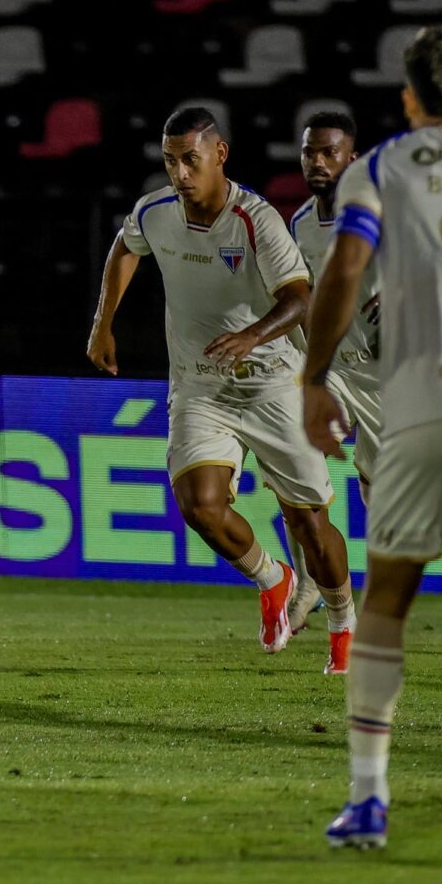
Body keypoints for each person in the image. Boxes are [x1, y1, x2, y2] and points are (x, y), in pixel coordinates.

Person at [304, 25, 442, 849]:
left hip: (421, 406)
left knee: (388, 597)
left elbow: (345, 269)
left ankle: (367, 799)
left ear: (408, 100)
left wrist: (314, 377)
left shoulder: (382, 167)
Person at [87, 106, 355, 656]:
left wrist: (252, 336)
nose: (180, 174)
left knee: (309, 522)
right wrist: (102, 323)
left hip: (274, 383)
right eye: (170, 162)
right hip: (200, 385)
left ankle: (343, 619)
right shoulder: (156, 210)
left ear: (219, 155)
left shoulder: (256, 218)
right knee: (198, 504)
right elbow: (124, 247)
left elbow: (299, 298)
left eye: (191, 160)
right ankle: (272, 579)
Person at [283, 111, 374, 672]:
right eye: (310, 152)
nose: (318, 162)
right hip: (331, 369)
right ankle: (311, 583)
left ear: (352, 158)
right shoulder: (299, 224)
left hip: (390, 374)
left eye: (330, 152)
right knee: (291, 460)